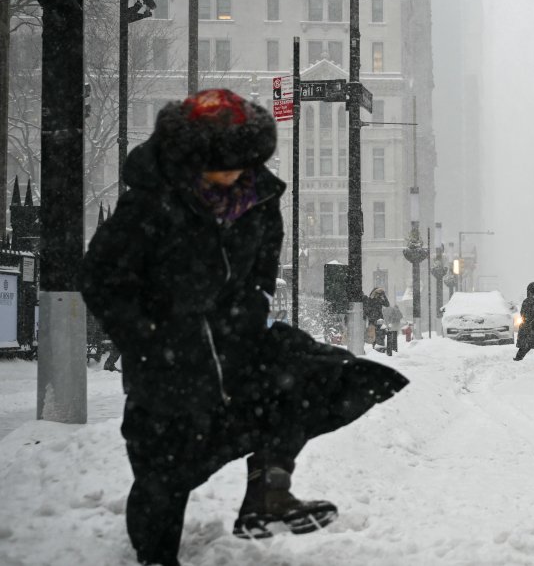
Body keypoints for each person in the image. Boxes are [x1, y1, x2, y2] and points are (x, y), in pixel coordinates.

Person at [80, 89, 409, 566]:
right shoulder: (151, 204)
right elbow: (101, 278)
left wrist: (254, 301)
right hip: (170, 357)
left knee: (315, 377)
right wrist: (146, 336)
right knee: (164, 472)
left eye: (242, 164)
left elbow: (263, 263)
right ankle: (155, 555)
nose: (234, 175)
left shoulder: (258, 198)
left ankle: (269, 491)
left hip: (240, 341)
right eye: (221, 166)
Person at [513, 282, 534, 362]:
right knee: (527, 345)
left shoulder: (532, 302)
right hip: (529, 328)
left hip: (530, 328)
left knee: (532, 345)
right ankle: (518, 359)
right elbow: (525, 315)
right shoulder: (529, 302)